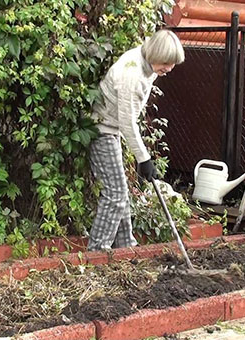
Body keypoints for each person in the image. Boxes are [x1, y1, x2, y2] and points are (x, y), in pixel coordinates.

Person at [88, 29, 185, 251]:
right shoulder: (131, 74)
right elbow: (127, 121)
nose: (169, 69)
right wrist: (144, 159)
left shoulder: (148, 63)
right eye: (167, 63)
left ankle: (126, 248)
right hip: (102, 131)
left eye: (172, 64)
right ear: (156, 54)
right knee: (115, 195)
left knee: (120, 192)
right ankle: (96, 252)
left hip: (112, 130)